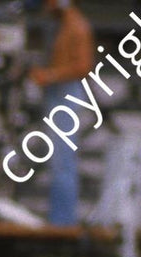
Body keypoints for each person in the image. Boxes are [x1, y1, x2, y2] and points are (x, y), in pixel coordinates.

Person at [27, 0, 95, 226]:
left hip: (66, 92)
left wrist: (51, 75)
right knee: (57, 158)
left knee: (63, 159)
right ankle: (58, 217)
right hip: (58, 91)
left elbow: (83, 66)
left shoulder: (77, 26)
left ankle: (63, 221)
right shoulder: (62, 26)